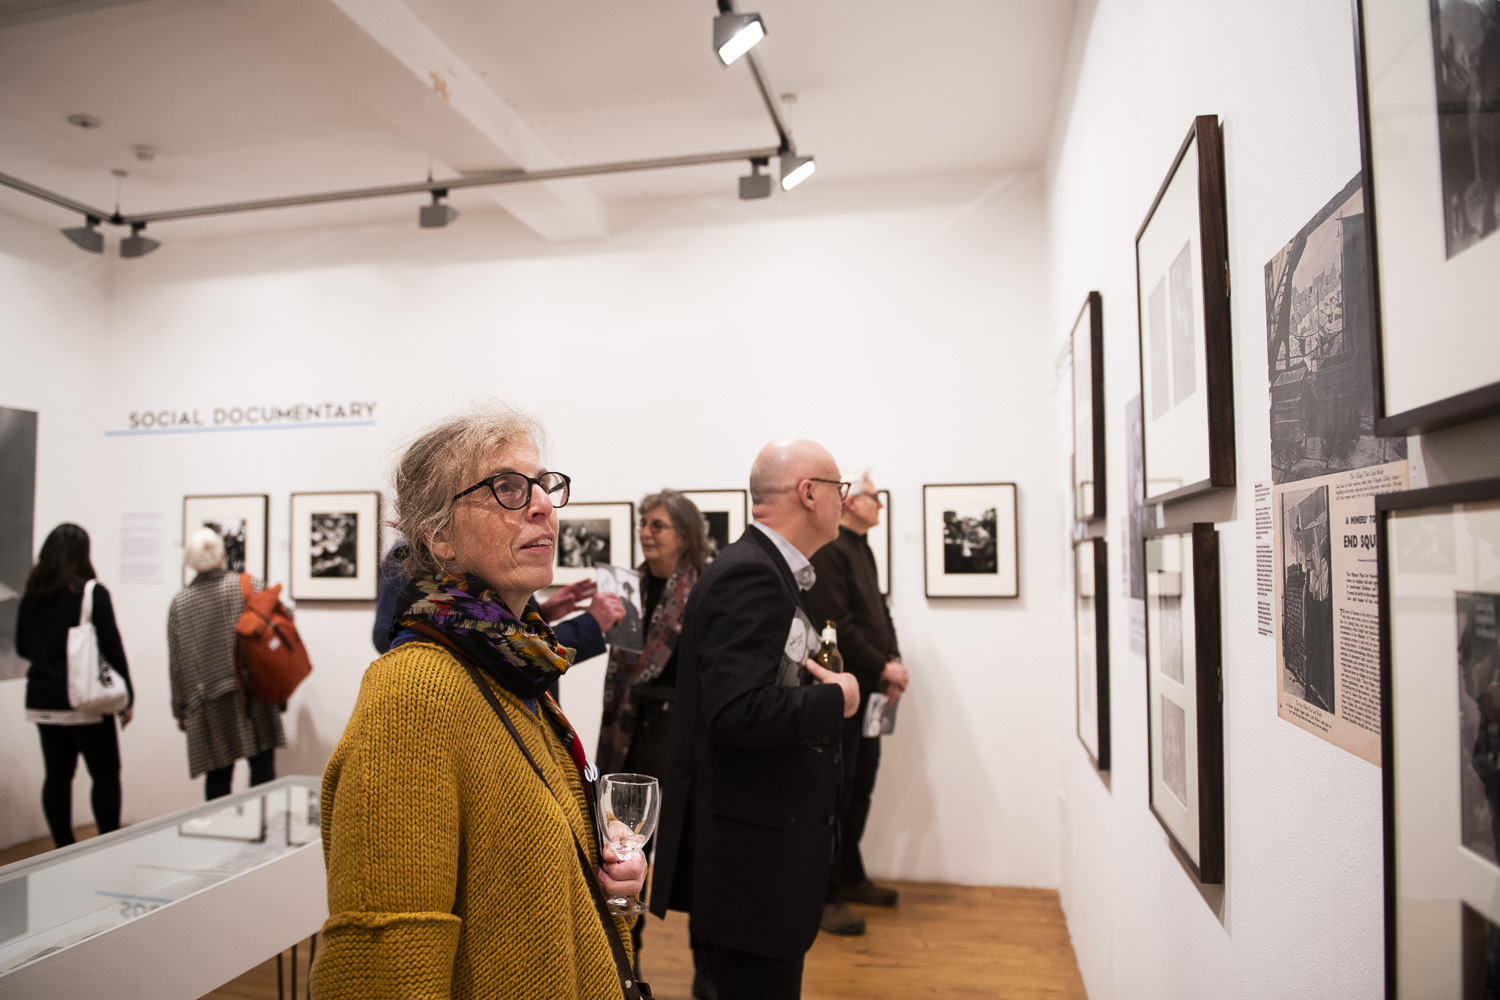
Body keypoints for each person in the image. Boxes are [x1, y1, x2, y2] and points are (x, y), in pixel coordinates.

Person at [312, 406, 646, 1000]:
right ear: (438, 537)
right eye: (508, 489)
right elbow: (388, 959)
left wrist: (605, 887)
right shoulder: (412, 694)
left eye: (543, 484)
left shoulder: (518, 666)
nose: (542, 503)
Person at [652, 439, 860, 1000]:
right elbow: (734, 712)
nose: (847, 499)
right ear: (809, 493)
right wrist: (834, 699)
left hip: (755, 856)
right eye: (839, 488)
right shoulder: (752, 575)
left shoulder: (767, 570)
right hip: (749, 867)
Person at [596, 490, 712, 994]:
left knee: (692, 864)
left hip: (684, 742)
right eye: (644, 523)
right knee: (623, 858)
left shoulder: (704, 589)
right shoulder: (627, 588)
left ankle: (707, 976)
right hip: (630, 736)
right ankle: (626, 968)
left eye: (658, 525)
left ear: (684, 536)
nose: (646, 531)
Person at [806, 474, 910, 935]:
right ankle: (825, 894)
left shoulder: (862, 548)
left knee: (861, 785)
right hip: (847, 688)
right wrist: (882, 666)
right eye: (874, 497)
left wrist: (894, 661)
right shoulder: (832, 549)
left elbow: (880, 613)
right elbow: (837, 623)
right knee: (839, 789)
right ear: (849, 501)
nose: (880, 506)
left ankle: (850, 875)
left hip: (872, 686)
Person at [17, 523, 134, 847]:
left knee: (57, 775)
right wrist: (127, 698)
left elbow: (22, 647)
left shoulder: (32, 596)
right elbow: (112, 648)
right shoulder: (92, 593)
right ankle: (106, 844)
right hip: (86, 701)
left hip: (43, 701)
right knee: (106, 773)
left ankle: (62, 847)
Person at [168, 528, 285, 800]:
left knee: (218, 776)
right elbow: (282, 622)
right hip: (255, 690)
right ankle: (266, 834)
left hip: (209, 700)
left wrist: (180, 709)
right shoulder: (249, 585)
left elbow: (177, 664)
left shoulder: (180, 604)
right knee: (263, 768)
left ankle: (221, 835)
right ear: (222, 555)